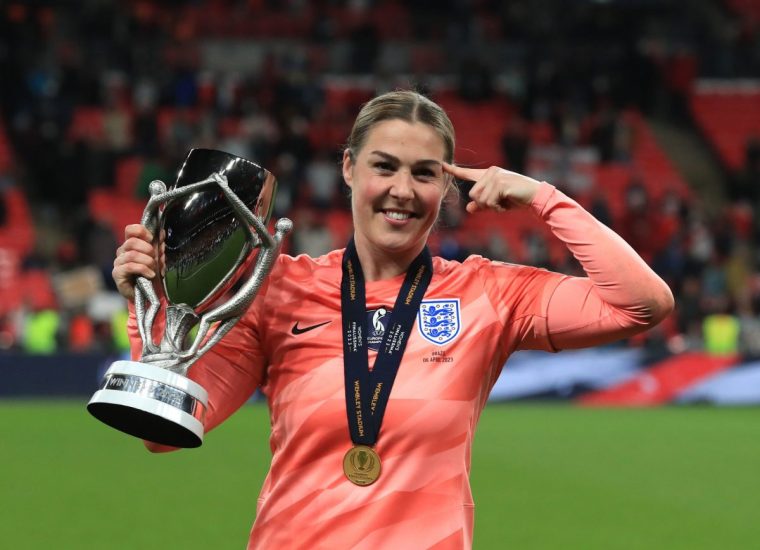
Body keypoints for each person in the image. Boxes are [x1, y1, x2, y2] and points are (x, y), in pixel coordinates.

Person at [112, 90, 674, 549]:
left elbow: (641, 303)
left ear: (447, 187)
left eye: (425, 173)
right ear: (350, 168)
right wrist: (153, 312)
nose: (402, 191)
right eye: (384, 166)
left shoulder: (489, 294)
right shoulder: (279, 288)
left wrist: (544, 196)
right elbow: (163, 434)